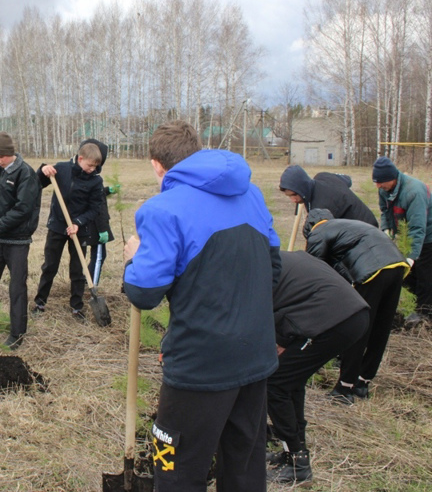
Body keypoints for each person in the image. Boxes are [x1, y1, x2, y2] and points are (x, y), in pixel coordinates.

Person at [123, 120, 281, 492]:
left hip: (200, 367)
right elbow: (274, 270)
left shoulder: (164, 210)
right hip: (256, 359)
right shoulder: (251, 194)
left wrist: (135, 258)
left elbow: (144, 294)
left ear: (157, 164)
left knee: (175, 471)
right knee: (243, 467)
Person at [267, 250, 370, 485]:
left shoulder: (257, 271)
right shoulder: (281, 258)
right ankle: (293, 451)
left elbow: (262, 312)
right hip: (353, 313)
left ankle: (298, 464)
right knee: (290, 380)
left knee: (274, 383)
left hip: (334, 319)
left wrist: (283, 338)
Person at [304, 208, 410, 404]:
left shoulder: (318, 232)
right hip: (397, 265)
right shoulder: (346, 226)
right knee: (381, 326)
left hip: (371, 271)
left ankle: (344, 388)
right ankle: (363, 382)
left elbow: (314, 271)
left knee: (359, 327)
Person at [0, 131, 41, 350]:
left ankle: (17, 333)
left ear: (10, 153)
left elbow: (22, 209)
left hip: (17, 241)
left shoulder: (25, 174)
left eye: (0, 156)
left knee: (17, 288)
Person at [31, 142, 104, 320]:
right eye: (89, 165)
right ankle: (40, 303)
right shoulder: (62, 169)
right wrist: (43, 169)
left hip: (79, 230)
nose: (92, 169)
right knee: (50, 266)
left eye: (95, 166)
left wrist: (78, 223)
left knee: (78, 270)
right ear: (80, 159)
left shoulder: (96, 181)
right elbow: (37, 183)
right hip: (57, 225)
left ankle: (77, 307)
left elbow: (95, 208)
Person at [372, 156, 432, 328]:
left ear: (392, 178)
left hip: (428, 235)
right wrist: (386, 230)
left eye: (381, 182)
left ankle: (424, 314)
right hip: (409, 235)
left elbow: (418, 228)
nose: (378, 186)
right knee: (406, 275)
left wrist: (412, 256)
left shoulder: (414, 192)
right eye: (376, 182)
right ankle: (420, 300)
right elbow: (385, 211)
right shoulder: (384, 189)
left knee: (424, 273)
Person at [78, 138, 119, 288]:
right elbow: (98, 205)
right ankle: (92, 286)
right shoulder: (95, 176)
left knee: (80, 255)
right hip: (95, 223)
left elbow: (92, 195)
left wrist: (107, 190)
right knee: (99, 255)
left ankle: (81, 282)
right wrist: (102, 229)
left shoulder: (83, 173)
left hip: (83, 221)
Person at [279, 164, 378, 226]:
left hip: (365, 233)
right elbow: (347, 180)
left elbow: (323, 243)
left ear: (302, 188)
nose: (293, 200)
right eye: (289, 196)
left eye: (294, 195)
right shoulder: (323, 176)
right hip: (367, 222)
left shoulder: (321, 209)